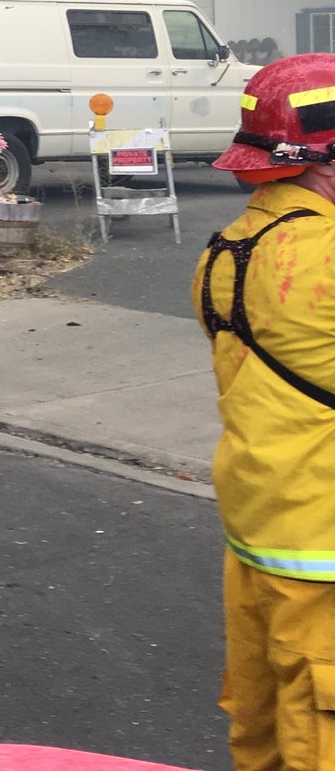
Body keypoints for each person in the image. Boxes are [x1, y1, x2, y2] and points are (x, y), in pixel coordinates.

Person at [197, 53, 335, 768]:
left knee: (264, 734)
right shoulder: (324, 259)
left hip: (259, 533)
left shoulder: (227, 250)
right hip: (323, 558)